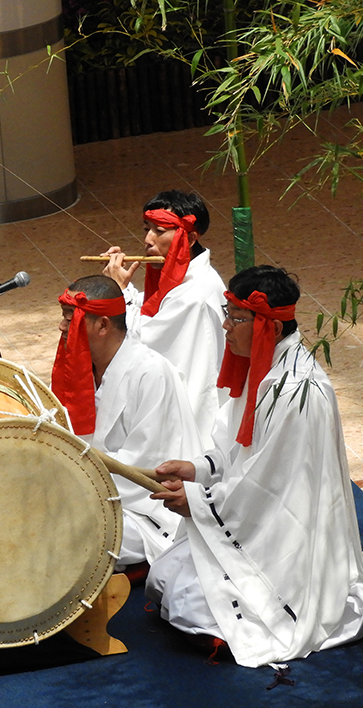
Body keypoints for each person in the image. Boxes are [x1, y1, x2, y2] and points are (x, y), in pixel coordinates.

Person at [147, 265, 363, 668]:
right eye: (226, 314)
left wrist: (197, 501)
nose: (225, 327)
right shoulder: (265, 368)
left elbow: (272, 489)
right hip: (256, 521)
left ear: (271, 328)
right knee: (164, 577)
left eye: (236, 318)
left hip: (286, 536)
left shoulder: (301, 391)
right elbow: (237, 450)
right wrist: (196, 469)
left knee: (191, 603)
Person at [52, 275, 203, 568]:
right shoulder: (82, 369)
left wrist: (72, 485)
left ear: (103, 325)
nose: (61, 327)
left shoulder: (151, 373)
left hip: (144, 512)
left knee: (63, 536)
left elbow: (146, 468)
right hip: (92, 490)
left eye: (70, 320)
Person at [102, 190, 226, 447]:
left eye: (159, 231)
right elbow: (155, 312)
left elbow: (146, 340)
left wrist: (120, 292)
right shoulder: (191, 278)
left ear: (189, 238)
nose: (148, 240)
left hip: (191, 416)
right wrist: (126, 291)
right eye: (147, 229)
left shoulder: (196, 294)